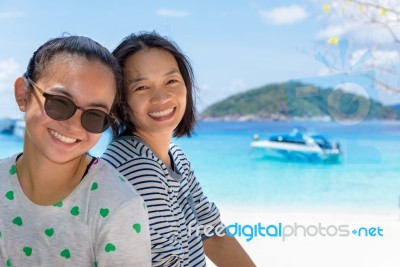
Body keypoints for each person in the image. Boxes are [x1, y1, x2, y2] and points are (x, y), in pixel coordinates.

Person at [102, 32, 255, 266]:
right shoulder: (136, 169)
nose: (161, 97)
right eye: (142, 87)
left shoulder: (174, 155)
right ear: (120, 101)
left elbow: (211, 233)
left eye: (171, 81)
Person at [0, 35, 151, 266]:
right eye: (60, 102)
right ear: (23, 94)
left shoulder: (120, 207)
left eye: (94, 115)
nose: (74, 125)